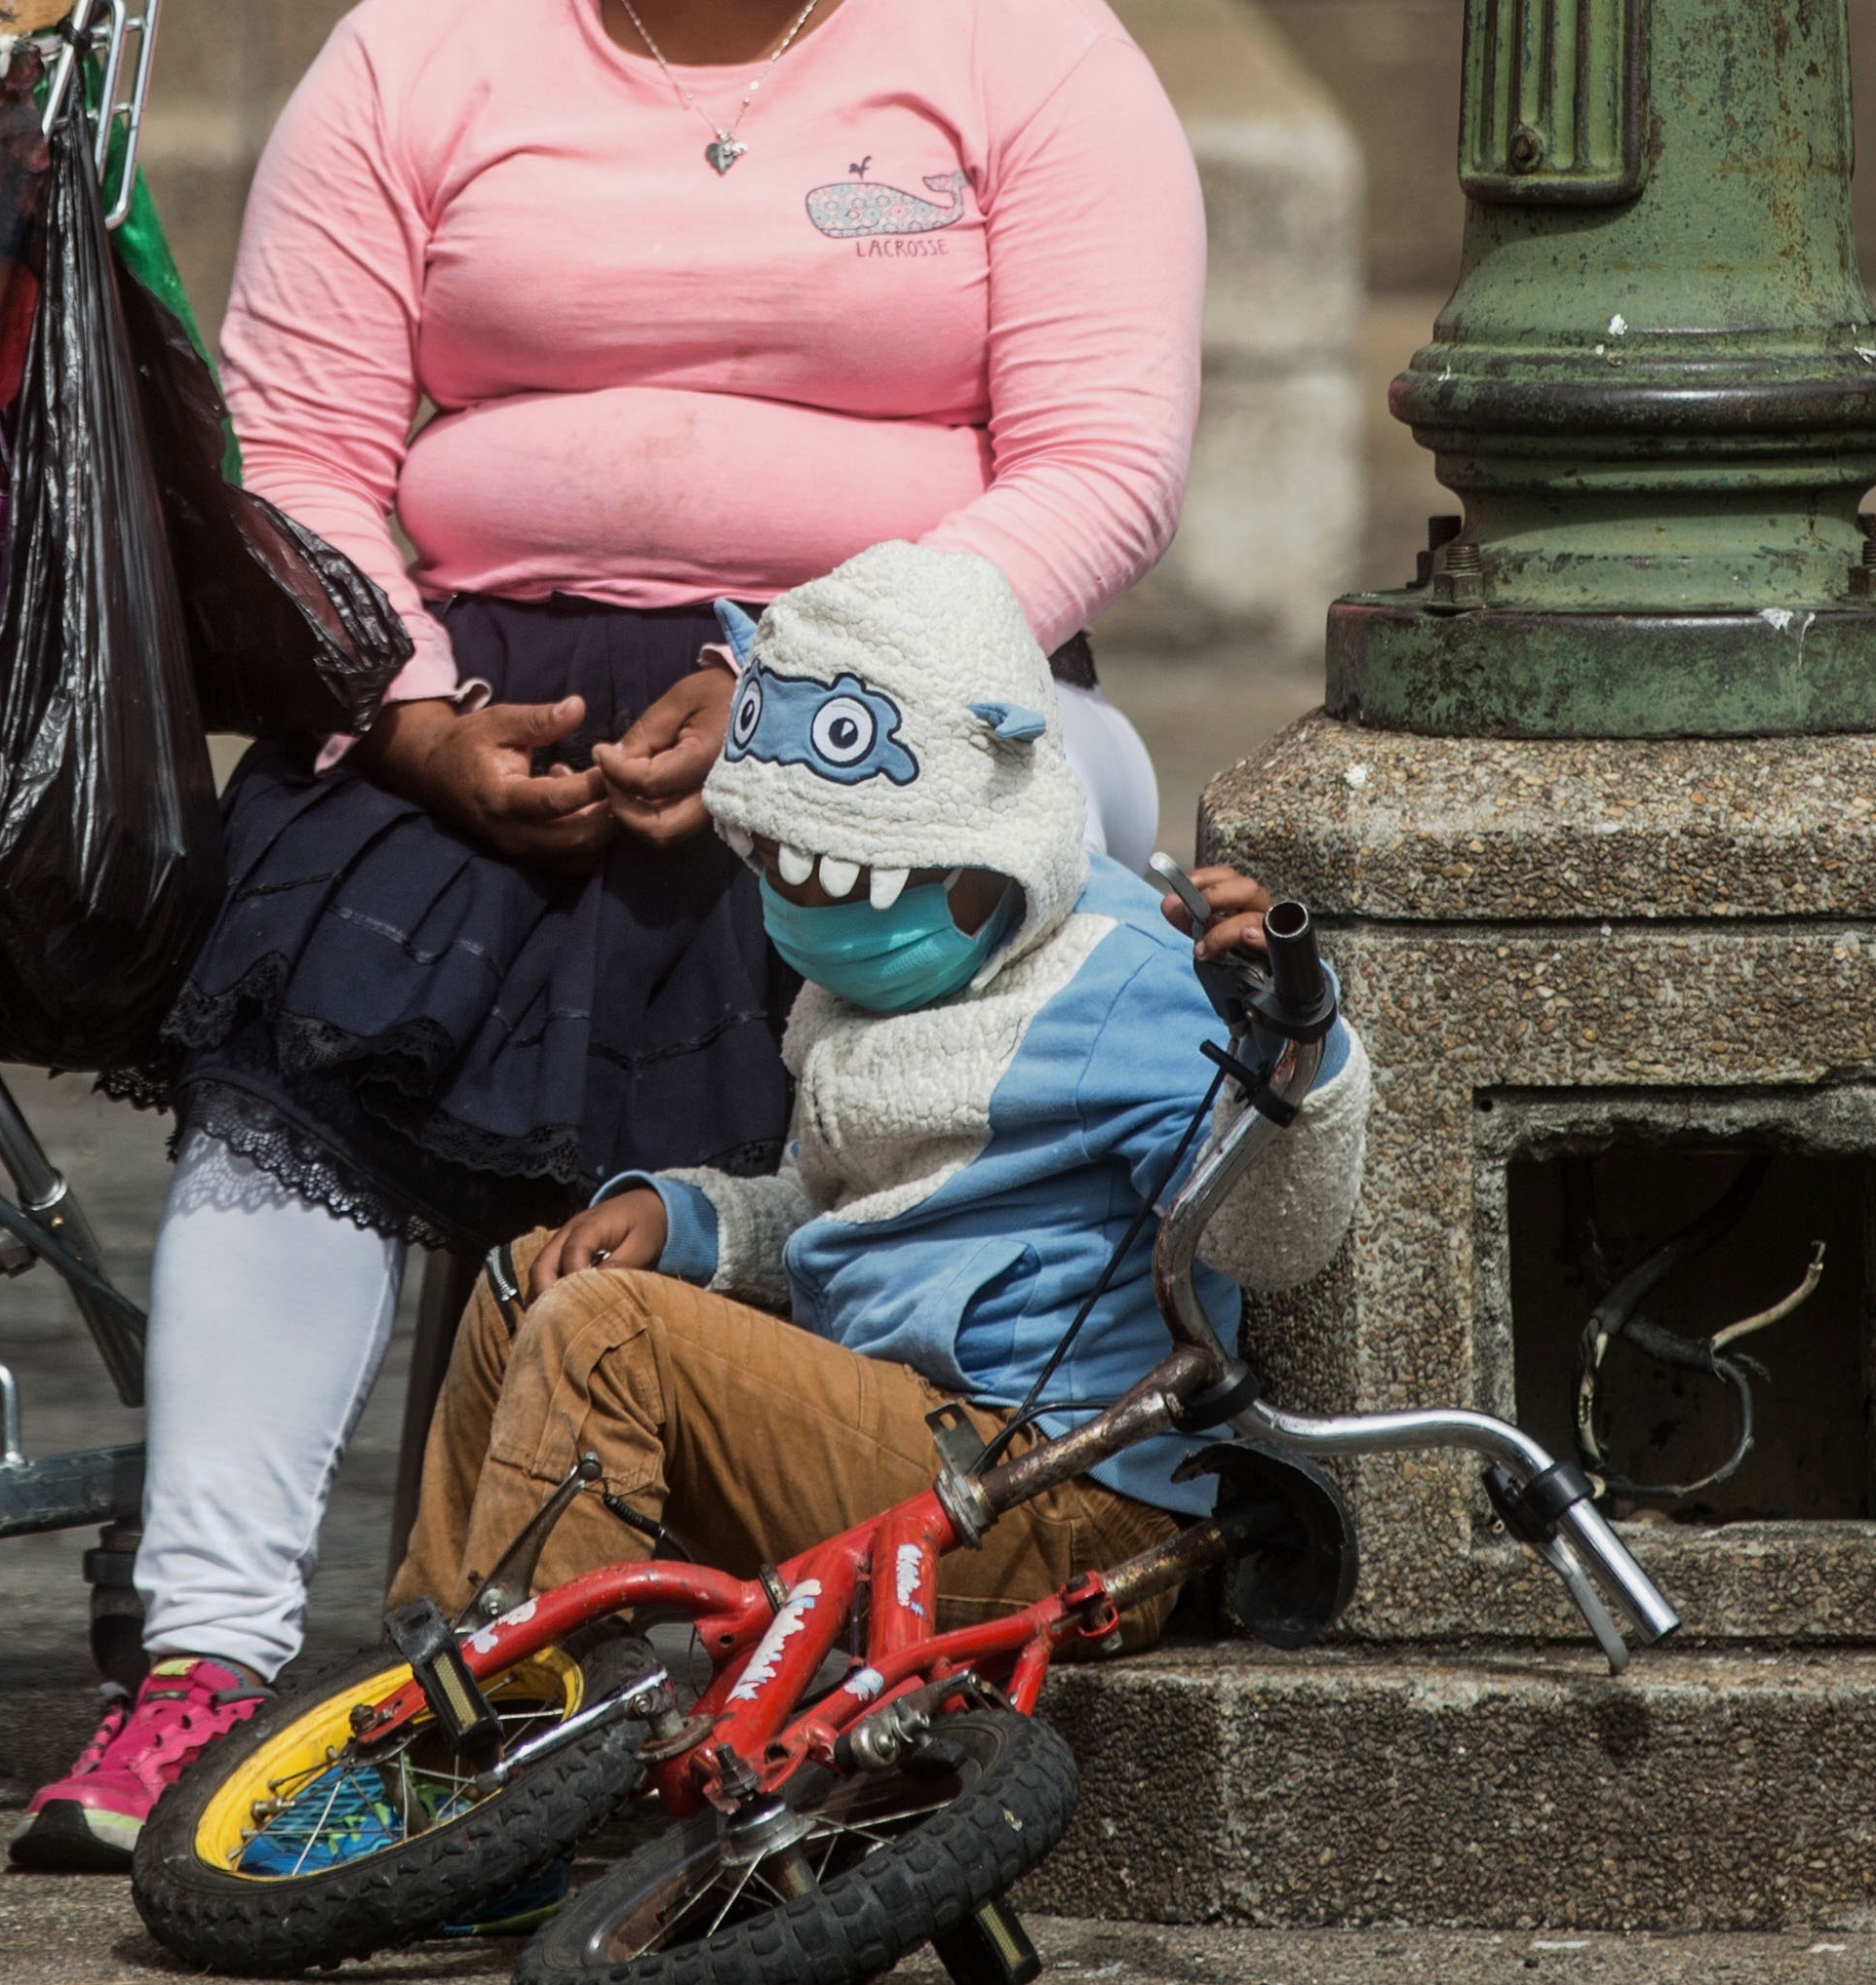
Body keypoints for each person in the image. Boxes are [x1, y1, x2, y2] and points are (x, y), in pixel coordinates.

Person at [9, 0, 1208, 1869]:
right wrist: (414, 707)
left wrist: (799, 682)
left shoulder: (1022, 40)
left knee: (1075, 818)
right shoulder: (420, 47)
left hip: (890, 664)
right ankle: (199, 1653)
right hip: (484, 682)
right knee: (294, 1062)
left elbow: (1095, 461)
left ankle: (935, 1537)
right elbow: (300, 457)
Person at [387, 544, 1363, 1645]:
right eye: (783, 872)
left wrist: (1296, 1047)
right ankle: (425, 1691)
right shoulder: (886, 982)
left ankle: (522, 1714)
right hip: (896, 1438)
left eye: (838, 878)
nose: (807, 907)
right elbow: (854, 1210)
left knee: (610, 1336)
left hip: (1055, 1498)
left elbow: (1274, 1237)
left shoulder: (1126, 980)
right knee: (532, 1279)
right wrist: (691, 1221)